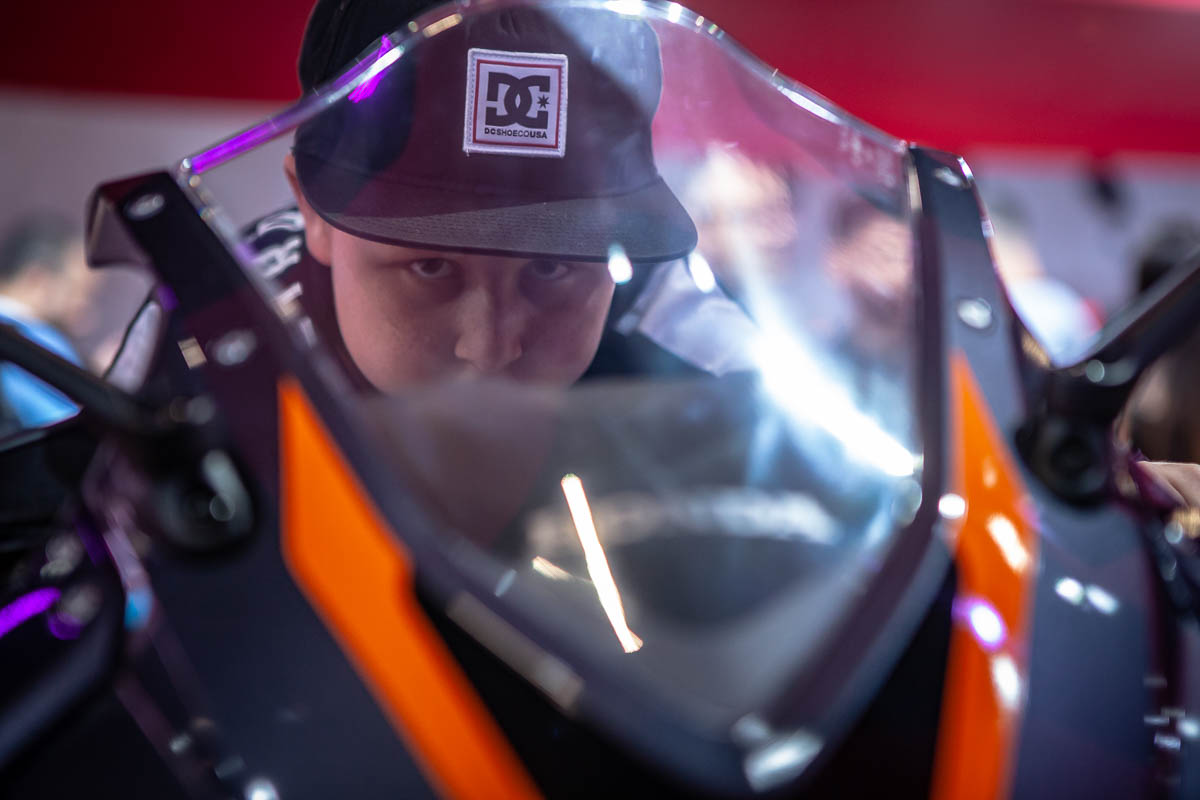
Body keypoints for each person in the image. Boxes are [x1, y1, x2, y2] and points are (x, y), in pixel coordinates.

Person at [271, 0, 696, 393]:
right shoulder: (239, 349)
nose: (490, 349)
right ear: (313, 214)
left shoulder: (697, 365)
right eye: (431, 266)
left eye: (549, 267)